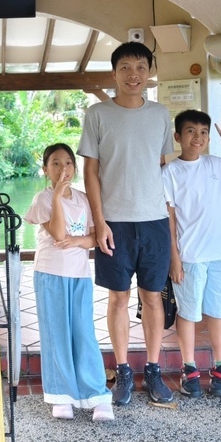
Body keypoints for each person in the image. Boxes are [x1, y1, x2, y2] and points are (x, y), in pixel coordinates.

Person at [77, 42, 175, 406]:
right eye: (126, 68)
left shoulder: (160, 114)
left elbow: (164, 167)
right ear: (114, 73)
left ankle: (153, 370)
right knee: (118, 298)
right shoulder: (98, 114)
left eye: (140, 67)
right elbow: (90, 171)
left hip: (154, 221)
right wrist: (99, 221)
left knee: (152, 297)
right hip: (115, 222)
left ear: (149, 72)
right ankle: (122, 372)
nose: (134, 75)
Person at [162, 109, 221, 398]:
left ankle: (220, 368)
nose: (198, 137)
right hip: (190, 256)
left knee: (219, 312)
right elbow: (170, 220)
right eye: (191, 131)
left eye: (203, 132)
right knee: (188, 313)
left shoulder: (218, 165)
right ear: (178, 136)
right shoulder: (170, 173)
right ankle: (189, 368)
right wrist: (174, 259)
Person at [23, 143, 114, 422]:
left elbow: (95, 238)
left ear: (75, 167)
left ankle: (96, 395)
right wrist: (57, 196)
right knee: (57, 334)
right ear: (45, 169)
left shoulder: (84, 199)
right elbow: (58, 233)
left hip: (79, 275)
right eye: (55, 163)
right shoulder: (43, 198)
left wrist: (77, 241)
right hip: (50, 274)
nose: (63, 168)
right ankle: (61, 396)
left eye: (68, 163)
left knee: (84, 333)